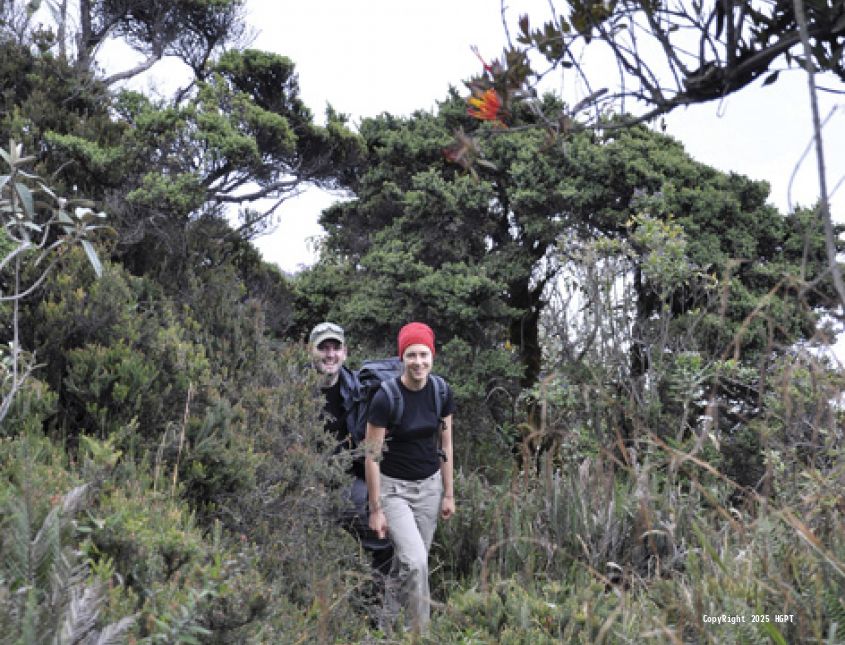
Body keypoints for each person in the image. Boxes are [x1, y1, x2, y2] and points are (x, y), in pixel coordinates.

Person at [364, 322, 456, 632]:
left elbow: (446, 444)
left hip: (430, 488)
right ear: (402, 357)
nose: (418, 362)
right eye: (411, 355)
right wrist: (376, 509)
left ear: (433, 356)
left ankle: (385, 628)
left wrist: (448, 494)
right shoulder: (386, 397)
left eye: (424, 354)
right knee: (417, 563)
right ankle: (422, 634)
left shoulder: (441, 392)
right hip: (394, 491)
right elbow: (372, 456)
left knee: (407, 565)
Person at [309, 322, 393, 597]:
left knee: (382, 531)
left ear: (345, 353)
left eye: (335, 348)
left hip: (346, 481)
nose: (330, 355)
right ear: (310, 351)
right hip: (304, 481)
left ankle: (371, 603)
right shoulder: (294, 389)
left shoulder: (360, 390)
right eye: (323, 348)